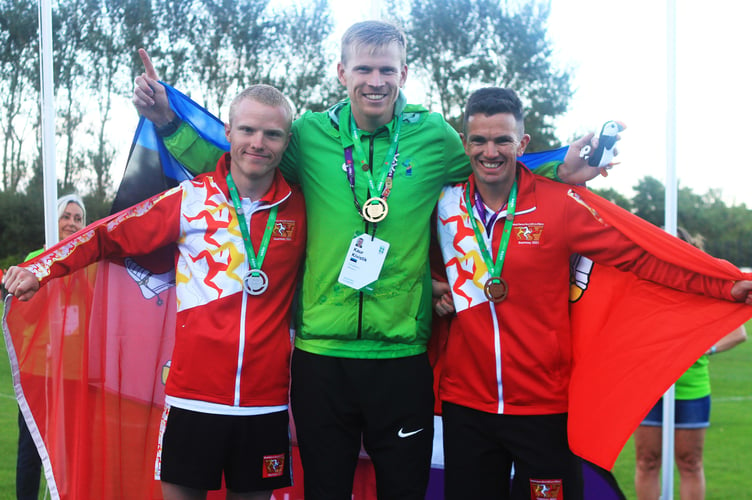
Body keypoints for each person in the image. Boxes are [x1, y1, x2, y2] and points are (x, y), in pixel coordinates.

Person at [132, 21, 607, 499]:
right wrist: (170, 124)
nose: (374, 80)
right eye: (363, 68)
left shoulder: (434, 136)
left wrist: (560, 168)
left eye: (386, 69)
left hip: (400, 359)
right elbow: (241, 157)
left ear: (405, 72)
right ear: (342, 71)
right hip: (322, 358)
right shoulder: (309, 135)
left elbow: (496, 165)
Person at [432, 87, 752, 500]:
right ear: (465, 143)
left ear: (522, 143)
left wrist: (723, 282)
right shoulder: (444, 203)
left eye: (502, 140)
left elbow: (640, 253)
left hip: (544, 407)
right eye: (479, 140)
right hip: (465, 404)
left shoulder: (561, 204)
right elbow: (404, 259)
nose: (489, 151)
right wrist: (432, 288)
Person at [3, 85, 306, 500]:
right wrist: (43, 267)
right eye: (248, 130)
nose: (258, 143)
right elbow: (107, 234)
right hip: (192, 399)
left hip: (265, 402)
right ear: (230, 132)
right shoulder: (191, 199)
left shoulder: (301, 209)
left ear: (287, 141)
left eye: (272, 134)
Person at [633, 228, 748, 500]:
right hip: (647, 387)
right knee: (647, 461)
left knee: (690, 463)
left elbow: (738, 333)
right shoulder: (640, 287)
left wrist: (702, 348)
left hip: (691, 389)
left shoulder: (703, 288)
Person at [15, 194, 86, 500]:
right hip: (38, 372)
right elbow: (22, 312)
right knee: (30, 450)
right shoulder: (36, 259)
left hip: (74, 373)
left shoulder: (89, 262)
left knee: (71, 452)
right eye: (66, 216)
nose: (72, 223)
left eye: (78, 218)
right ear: (54, 221)